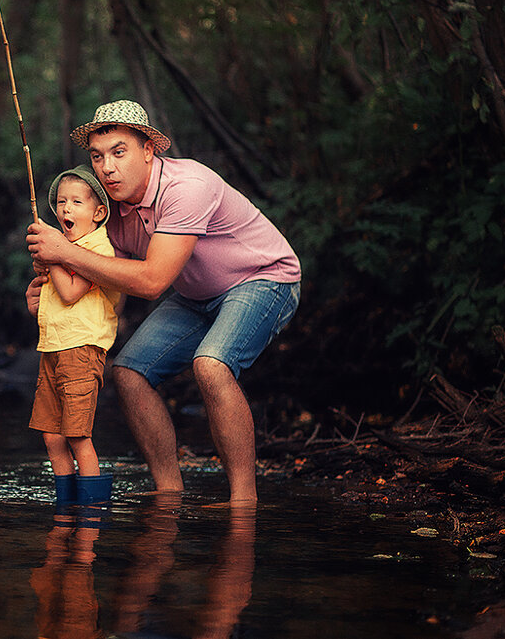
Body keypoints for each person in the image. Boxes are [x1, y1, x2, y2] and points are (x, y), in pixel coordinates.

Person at [26, 100, 300, 504]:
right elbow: (102, 279)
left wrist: (64, 254)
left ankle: (244, 503)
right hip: (196, 296)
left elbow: (152, 282)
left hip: (263, 278)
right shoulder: (108, 210)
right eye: (98, 157)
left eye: (119, 152)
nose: (107, 167)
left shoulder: (187, 187)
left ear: (149, 150)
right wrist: (47, 292)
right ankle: (169, 493)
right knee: (130, 372)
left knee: (210, 364)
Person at [28, 166, 123, 506]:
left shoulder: (98, 250)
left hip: (82, 352)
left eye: (77, 202)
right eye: (61, 202)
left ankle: (90, 521)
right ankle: (66, 510)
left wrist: (51, 254)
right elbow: (52, 306)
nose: (66, 209)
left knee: (77, 436)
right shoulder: (64, 250)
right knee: (53, 438)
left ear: (98, 213)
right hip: (52, 350)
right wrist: (34, 300)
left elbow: (69, 293)